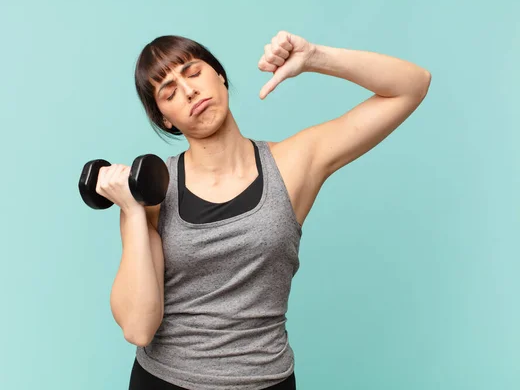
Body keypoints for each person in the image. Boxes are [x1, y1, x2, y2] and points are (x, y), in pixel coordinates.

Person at [95, 31, 431, 390]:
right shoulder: (153, 192)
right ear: (165, 119)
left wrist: (315, 57)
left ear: (219, 75)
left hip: (266, 380)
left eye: (192, 73)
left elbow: (411, 86)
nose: (189, 91)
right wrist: (131, 211)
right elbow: (138, 327)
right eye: (170, 92)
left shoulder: (291, 165)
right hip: (165, 381)